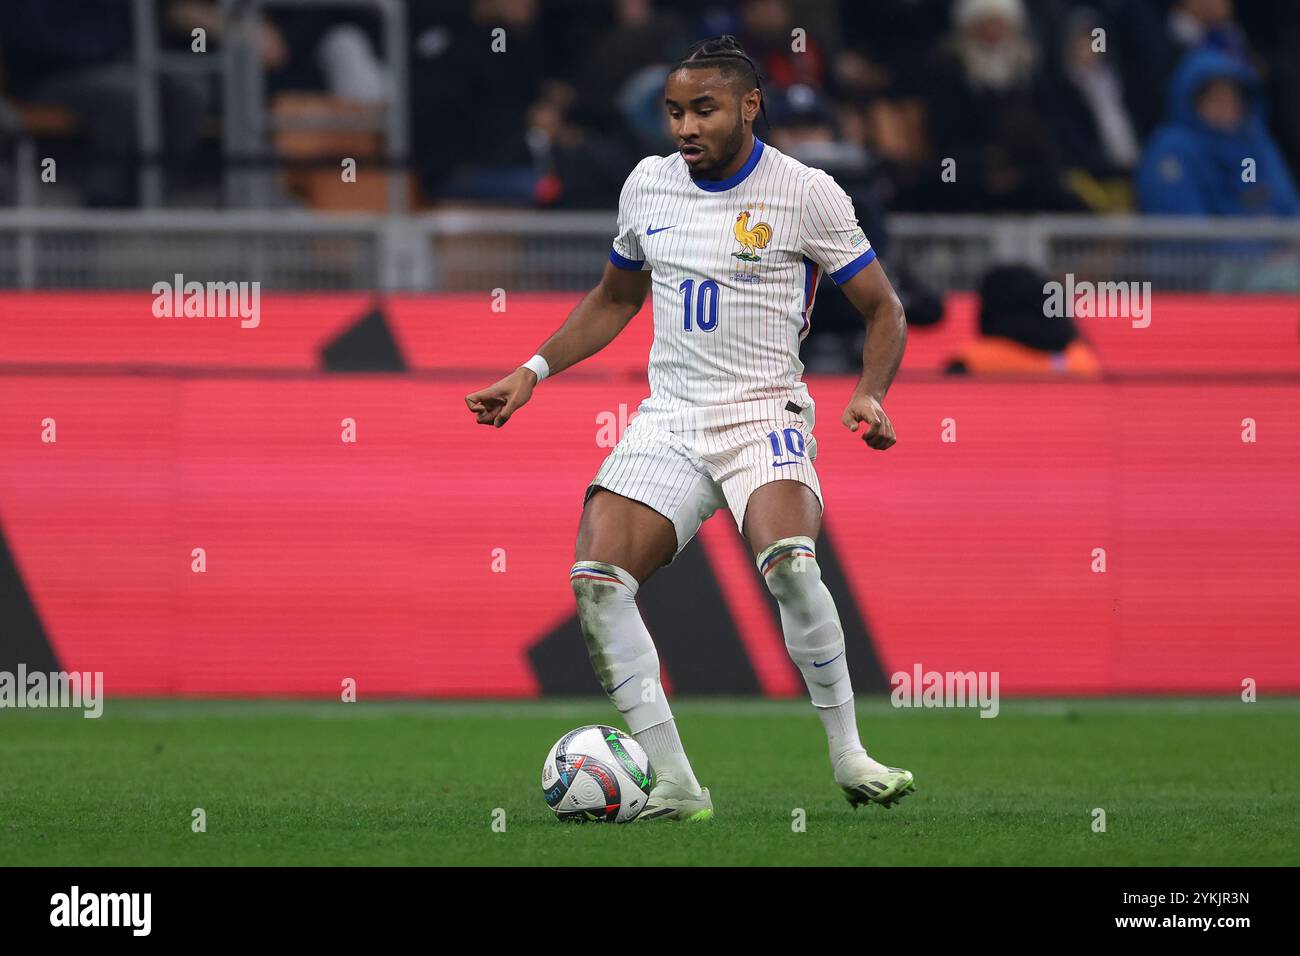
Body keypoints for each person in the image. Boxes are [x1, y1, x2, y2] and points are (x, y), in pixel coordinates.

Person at [465, 36, 913, 821]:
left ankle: (849, 754)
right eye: (674, 111)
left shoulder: (807, 192)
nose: (685, 127)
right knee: (597, 584)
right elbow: (614, 300)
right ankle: (676, 783)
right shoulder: (648, 185)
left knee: (790, 564)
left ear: (749, 106)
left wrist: (870, 394)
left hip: (763, 411)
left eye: (702, 109)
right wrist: (530, 372)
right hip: (670, 419)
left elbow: (883, 308)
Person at [1136, 49, 1299, 216]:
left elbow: (1286, 204)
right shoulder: (1172, 149)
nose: (1226, 107)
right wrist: (1255, 239)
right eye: (1215, 98)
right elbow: (1183, 230)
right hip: (1220, 241)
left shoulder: (1255, 142)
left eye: (1232, 97)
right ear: (1190, 100)